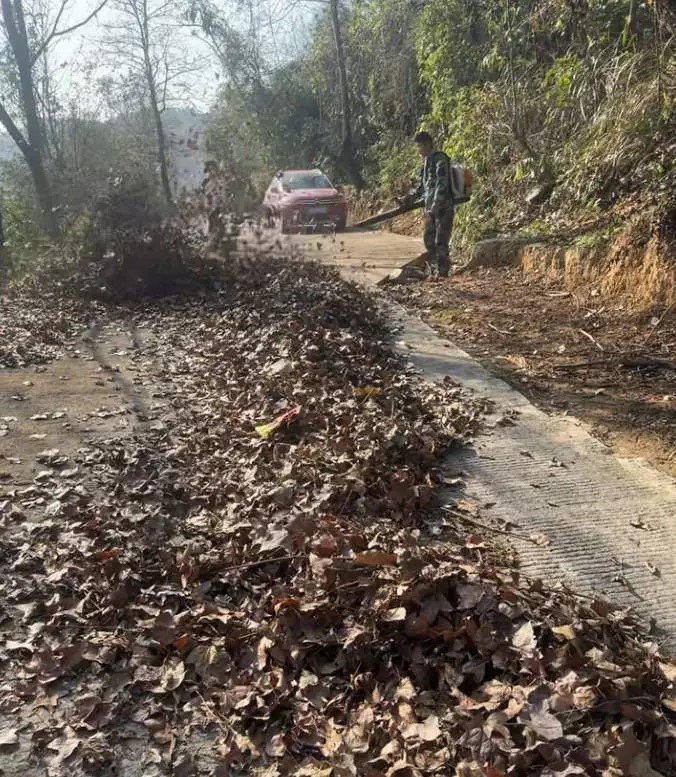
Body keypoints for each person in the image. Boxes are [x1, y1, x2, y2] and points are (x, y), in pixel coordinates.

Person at [407, 131, 455, 279]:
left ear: (428, 145)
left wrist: (435, 204)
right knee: (429, 240)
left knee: (440, 240)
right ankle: (434, 270)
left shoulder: (440, 159)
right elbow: (422, 188)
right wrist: (408, 198)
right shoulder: (426, 163)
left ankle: (443, 273)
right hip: (430, 210)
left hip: (443, 207)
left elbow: (442, 183)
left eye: (420, 146)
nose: (419, 150)